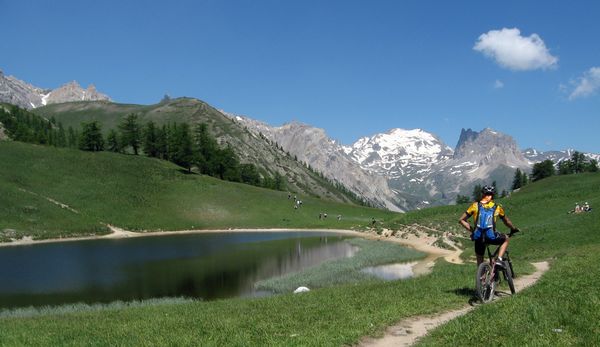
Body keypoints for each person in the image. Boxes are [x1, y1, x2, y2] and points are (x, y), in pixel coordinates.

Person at [459, 185, 519, 266]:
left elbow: (461, 220)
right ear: (492, 195)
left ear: (482, 195)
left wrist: (473, 231)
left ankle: (481, 277)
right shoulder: (497, 207)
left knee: (480, 261)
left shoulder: (475, 205)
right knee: (506, 239)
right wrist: (513, 228)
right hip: (491, 237)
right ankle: (499, 260)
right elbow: (506, 221)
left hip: (478, 237)